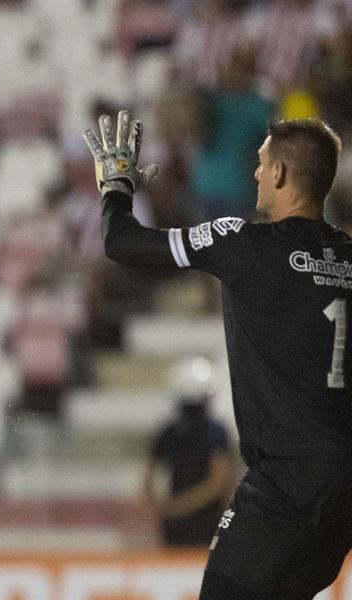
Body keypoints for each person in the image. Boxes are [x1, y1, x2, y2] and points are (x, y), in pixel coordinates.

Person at [85, 111, 352, 599]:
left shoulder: (243, 242)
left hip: (283, 484)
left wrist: (118, 187)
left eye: (260, 161)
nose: (254, 173)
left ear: (280, 173)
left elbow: (121, 242)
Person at [142, 356, 236, 547]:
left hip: (186, 520)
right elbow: (220, 482)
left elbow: (147, 481)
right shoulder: (215, 431)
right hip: (207, 521)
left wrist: (170, 508)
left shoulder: (169, 432)